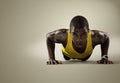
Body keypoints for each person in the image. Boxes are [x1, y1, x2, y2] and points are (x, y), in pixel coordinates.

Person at [46, 15, 113, 65]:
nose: (79, 39)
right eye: (74, 34)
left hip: (85, 56)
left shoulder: (94, 36)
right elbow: (49, 37)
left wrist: (104, 56)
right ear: (69, 32)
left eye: (83, 34)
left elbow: (106, 37)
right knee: (67, 58)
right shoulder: (63, 35)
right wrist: (51, 58)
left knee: (84, 58)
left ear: (88, 32)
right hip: (67, 55)